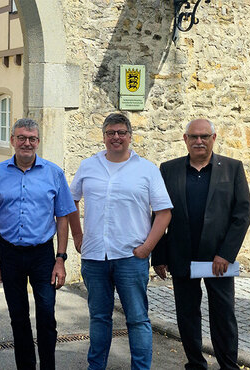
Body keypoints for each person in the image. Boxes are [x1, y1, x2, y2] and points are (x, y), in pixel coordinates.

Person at [69, 113, 173, 370]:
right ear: (103, 136)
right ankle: (96, 367)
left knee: (137, 319)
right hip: (95, 257)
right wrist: (78, 235)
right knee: (99, 318)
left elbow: (164, 212)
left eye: (121, 132)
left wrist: (148, 247)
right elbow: (70, 201)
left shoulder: (146, 169)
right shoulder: (88, 166)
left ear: (129, 136)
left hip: (131, 257)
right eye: (110, 133)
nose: (116, 137)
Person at [152, 119, 250, 370]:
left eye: (204, 136)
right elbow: (159, 214)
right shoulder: (168, 169)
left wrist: (226, 254)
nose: (199, 141)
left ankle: (229, 365)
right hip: (181, 255)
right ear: (185, 139)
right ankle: (195, 364)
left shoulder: (232, 168)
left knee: (223, 315)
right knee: (186, 315)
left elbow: (242, 215)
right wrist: (160, 255)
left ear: (214, 138)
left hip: (218, 260)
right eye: (194, 137)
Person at [0, 118, 76, 370]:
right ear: (12, 140)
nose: (26, 143)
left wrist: (60, 259)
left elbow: (63, 216)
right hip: (9, 253)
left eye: (32, 138)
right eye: (21, 137)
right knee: (18, 317)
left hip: (43, 254)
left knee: (46, 315)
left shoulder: (54, 173)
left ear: (38, 142)